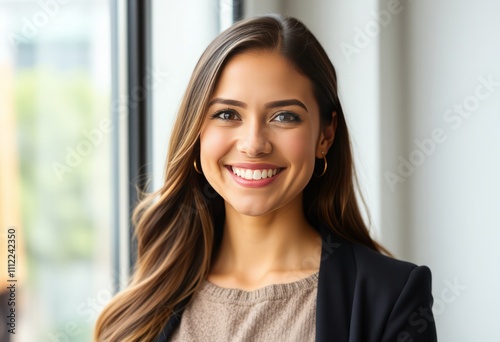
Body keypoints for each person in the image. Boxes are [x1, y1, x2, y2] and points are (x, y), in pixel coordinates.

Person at [94, 14, 437, 342]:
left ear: (325, 136)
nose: (254, 144)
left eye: (285, 116)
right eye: (227, 114)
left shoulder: (392, 297)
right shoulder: (141, 305)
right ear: (197, 131)